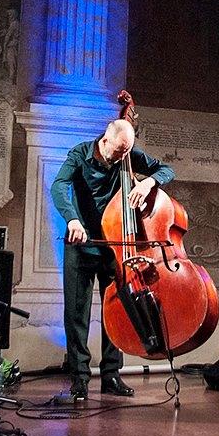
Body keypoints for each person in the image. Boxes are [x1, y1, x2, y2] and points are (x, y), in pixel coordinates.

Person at [50, 118, 175, 402]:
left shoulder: (127, 156)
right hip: (81, 244)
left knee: (115, 313)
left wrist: (149, 183)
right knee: (76, 314)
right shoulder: (80, 154)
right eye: (119, 152)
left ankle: (111, 375)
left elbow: (167, 169)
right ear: (105, 141)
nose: (123, 158)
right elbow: (58, 186)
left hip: (115, 246)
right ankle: (80, 378)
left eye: (126, 153)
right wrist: (72, 220)